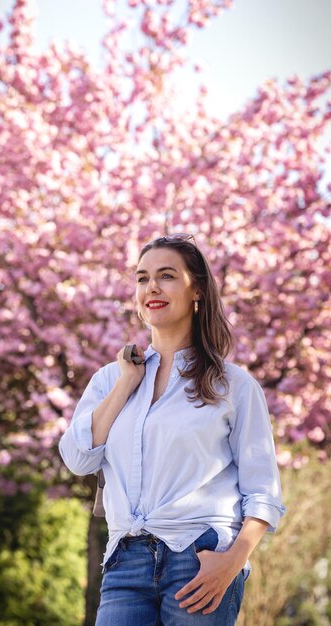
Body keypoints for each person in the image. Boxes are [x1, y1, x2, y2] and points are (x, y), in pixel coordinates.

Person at [59, 233, 285, 626]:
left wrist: (232, 562)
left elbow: (263, 491)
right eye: (142, 278)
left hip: (199, 558)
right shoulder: (110, 379)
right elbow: (78, 459)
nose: (152, 288)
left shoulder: (232, 385)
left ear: (196, 289)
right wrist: (125, 385)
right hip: (125, 561)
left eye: (166, 276)